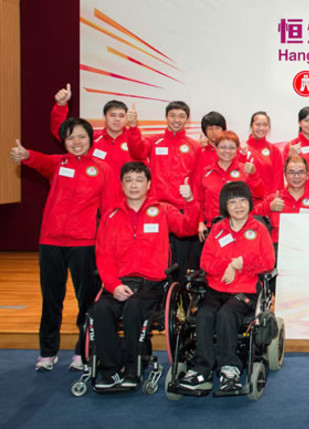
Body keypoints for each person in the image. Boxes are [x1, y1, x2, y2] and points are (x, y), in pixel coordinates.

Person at [10, 118, 113, 372]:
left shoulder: (103, 168)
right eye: (70, 138)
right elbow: (37, 159)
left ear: (90, 139)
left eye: (81, 137)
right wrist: (25, 154)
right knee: (51, 299)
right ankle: (47, 352)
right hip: (51, 242)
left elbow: (110, 209)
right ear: (64, 142)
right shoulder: (58, 164)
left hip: (85, 243)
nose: (76, 142)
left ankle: (82, 352)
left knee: (87, 300)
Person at [91, 162, 198, 388]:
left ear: (148, 184)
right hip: (120, 284)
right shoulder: (110, 216)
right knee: (99, 310)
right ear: (121, 184)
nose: (133, 185)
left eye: (139, 180)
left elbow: (187, 228)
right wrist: (113, 285)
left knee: (133, 308)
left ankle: (132, 368)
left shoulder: (162, 210)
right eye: (128, 180)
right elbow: (104, 257)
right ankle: (111, 369)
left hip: (152, 285)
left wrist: (190, 201)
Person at [178, 182, 275, 392]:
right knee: (204, 314)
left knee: (226, 314)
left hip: (246, 290)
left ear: (249, 203)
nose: (238, 206)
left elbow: (268, 262)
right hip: (217, 288)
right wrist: (228, 266)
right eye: (232, 202)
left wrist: (241, 264)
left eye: (242, 201)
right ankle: (201, 367)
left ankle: (229, 367)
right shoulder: (218, 229)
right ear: (225, 206)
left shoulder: (259, 229)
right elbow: (205, 262)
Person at [127, 101, 201, 282]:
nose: (177, 120)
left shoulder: (194, 146)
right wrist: (133, 127)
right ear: (166, 117)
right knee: (156, 255)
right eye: (173, 115)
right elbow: (137, 152)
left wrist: (197, 215)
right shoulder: (154, 141)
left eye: (181, 116)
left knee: (182, 260)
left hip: (182, 210)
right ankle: (158, 297)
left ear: (187, 120)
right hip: (156, 208)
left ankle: (180, 299)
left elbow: (197, 181)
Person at [189, 131, 263, 241]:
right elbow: (199, 200)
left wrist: (254, 174)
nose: (227, 151)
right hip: (213, 227)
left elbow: (259, 194)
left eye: (231, 147)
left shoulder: (245, 169)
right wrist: (200, 222)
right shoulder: (206, 172)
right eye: (223, 147)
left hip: (241, 227)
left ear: (237, 149)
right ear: (216, 148)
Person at [49, 84, 134, 178]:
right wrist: (61, 105)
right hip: (92, 191)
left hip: (122, 192)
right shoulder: (91, 137)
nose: (117, 119)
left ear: (127, 119)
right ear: (104, 117)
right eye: (112, 115)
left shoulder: (136, 142)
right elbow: (62, 132)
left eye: (121, 116)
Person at [255, 155, 309, 248]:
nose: (296, 176)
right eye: (291, 172)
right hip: (279, 248)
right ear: (285, 175)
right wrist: (269, 208)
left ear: (307, 175)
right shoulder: (273, 199)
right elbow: (252, 217)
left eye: (301, 172)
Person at [242, 111, 283, 202]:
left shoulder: (274, 150)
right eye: (258, 124)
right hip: (246, 204)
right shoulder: (242, 149)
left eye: (265, 125)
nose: (261, 128)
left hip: (268, 203)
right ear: (251, 125)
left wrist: (272, 200)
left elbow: (278, 181)